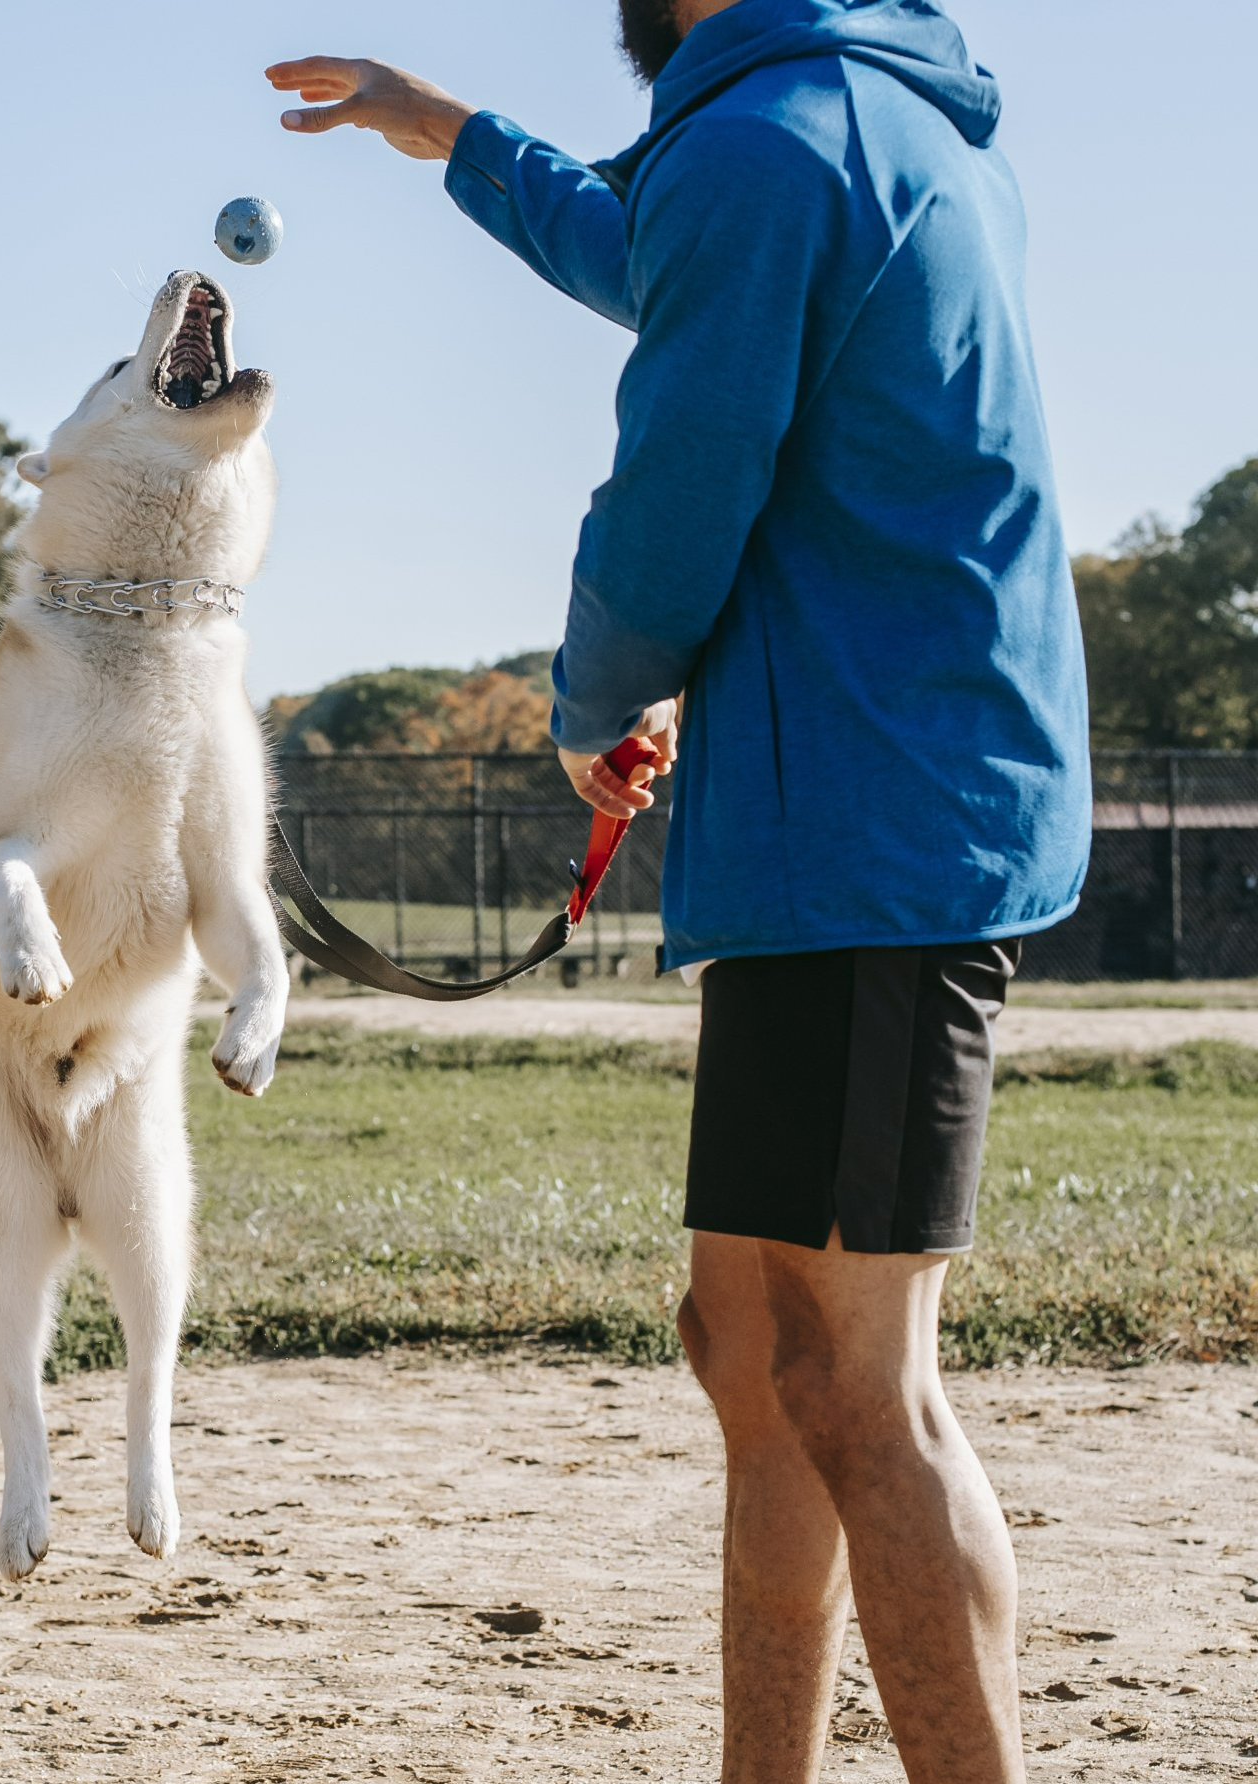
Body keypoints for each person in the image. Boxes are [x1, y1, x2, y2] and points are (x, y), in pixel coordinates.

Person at [268, 1, 1090, 1778]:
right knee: (748, 1344)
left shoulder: (774, 141)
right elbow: (652, 245)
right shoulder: (825, 120)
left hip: (876, 826)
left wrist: (593, 695)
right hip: (838, 818)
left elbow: (678, 489)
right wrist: (453, 132)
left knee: (857, 1387)